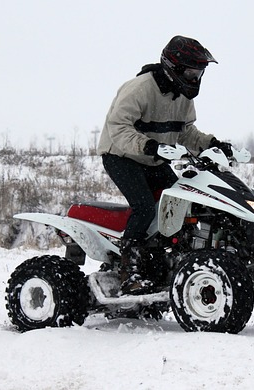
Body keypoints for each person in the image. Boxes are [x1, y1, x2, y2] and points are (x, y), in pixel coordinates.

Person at [97, 35, 233, 295]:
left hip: (155, 157)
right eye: (192, 71)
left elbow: (185, 132)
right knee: (145, 206)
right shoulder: (139, 89)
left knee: (180, 203)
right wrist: (150, 146)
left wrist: (212, 144)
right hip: (121, 155)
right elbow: (119, 128)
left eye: (199, 72)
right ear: (173, 67)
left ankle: (161, 262)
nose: (195, 77)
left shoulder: (182, 95)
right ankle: (130, 271)